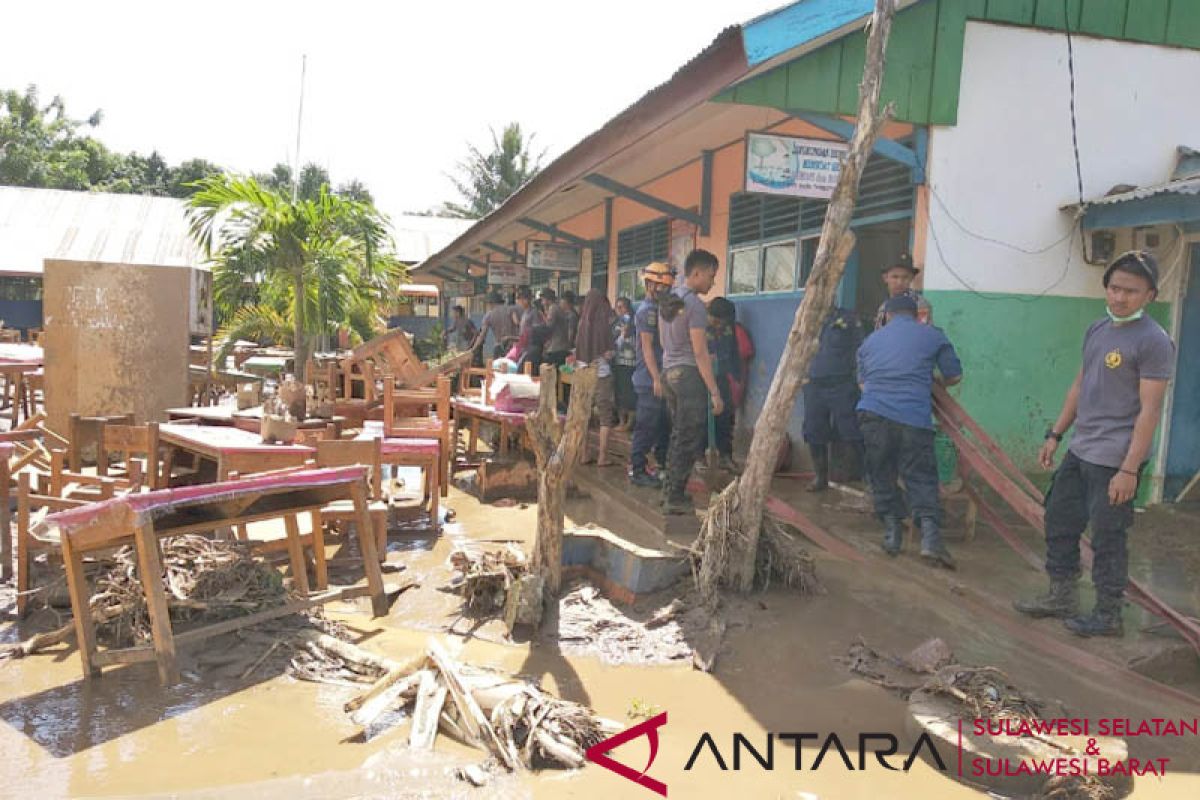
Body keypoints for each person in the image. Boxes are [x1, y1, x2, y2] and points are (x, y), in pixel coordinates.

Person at [1015, 251, 1174, 637]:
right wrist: (1055, 434)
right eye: (1115, 288)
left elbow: (1150, 411)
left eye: (1131, 291)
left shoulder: (1154, 341)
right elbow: (1079, 385)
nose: (1119, 297)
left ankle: (1108, 615)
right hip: (1081, 447)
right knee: (1059, 519)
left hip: (1115, 457)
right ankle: (1062, 595)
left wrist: (1129, 469)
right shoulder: (1098, 329)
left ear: (1150, 295)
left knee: (1107, 537)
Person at [857, 294, 963, 568]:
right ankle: (930, 540)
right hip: (913, 418)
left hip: (873, 415)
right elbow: (954, 376)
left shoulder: (869, 342)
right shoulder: (933, 335)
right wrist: (928, 379)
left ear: (887, 317)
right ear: (916, 315)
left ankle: (892, 535)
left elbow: (863, 385)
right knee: (921, 476)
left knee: (881, 473)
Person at [658, 250, 724, 514]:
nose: (712, 282)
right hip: (687, 376)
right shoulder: (695, 306)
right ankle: (675, 496)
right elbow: (699, 352)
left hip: (669, 374)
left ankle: (669, 490)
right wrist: (715, 392)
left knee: (678, 434)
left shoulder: (669, 301)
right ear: (696, 273)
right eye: (711, 275)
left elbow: (664, 344)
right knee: (688, 437)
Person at [803, 307, 865, 491]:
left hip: (842, 383)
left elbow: (861, 349)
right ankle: (820, 477)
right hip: (813, 384)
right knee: (814, 430)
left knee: (851, 430)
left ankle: (867, 478)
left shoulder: (849, 318)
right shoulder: (806, 318)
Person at [629, 263, 674, 488]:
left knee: (664, 426)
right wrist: (656, 377)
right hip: (649, 380)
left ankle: (660, 467)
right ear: (649, 285)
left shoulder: (661, 309)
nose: (662, 290)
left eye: (665, 286)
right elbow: (647, 347)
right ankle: (637, 469)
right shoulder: (646, 312)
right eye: (659, 286)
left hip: (663, 378)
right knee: (646, 426)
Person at [704, 297, 752, 472]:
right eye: (717, 322)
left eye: (723, 323)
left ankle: (725, 456)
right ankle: (700, 459)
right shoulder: (698, 326)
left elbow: (733, 351)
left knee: (725, 417)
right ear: (710, 316)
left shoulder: (729, 327)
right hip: (702, 379)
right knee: (702, 419)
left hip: (722, 377)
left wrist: (737, 376)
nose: (720, 326)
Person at [575, 288, 618, 467]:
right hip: (601, 374)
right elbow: (608, 353)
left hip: (583, 374)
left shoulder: (582, 324)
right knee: (605, 416)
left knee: (584, 415)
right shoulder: (604, 324)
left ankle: (584, 453)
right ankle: (602, 456)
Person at [873, 254, 932, 330]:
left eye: (905, 277)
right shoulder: (883, 307)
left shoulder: (919, 304)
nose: (900, 282)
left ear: (912, 278)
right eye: (895, 277)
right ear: (885, 278)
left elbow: (921, 334)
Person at [612, 297, 637, 431]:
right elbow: (613, 342)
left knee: (631, 393)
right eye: (618, 307)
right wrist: (622, 335)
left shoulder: (635, 323)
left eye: (623, 307)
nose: (620, 310)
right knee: (620, 393)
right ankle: (621, 421)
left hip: (632, 364)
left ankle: (630, 422)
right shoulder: (616, 324)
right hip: (619, 363)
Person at [473, 291, 519, 359]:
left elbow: (482, 336)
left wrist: (473, 349)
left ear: (491, 303)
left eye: (487, 304)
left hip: (499, 347)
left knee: (498, 368)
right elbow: (517, 323)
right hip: (514, 347)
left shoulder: (488, 315)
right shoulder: (511, 310)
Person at [536, 288, 571, 366]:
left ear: (547, 299)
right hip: (561, 347)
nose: (542, 302)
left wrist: (542, 315)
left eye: (543, 300)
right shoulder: (556, 308)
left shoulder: (553, 308)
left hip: (557, 348)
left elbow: (548, 327)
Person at [514, 287, 544, 370]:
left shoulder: (534, 312)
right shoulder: (525, 313)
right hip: (524, 346)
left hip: (532, 347)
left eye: (522, 299)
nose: (520, 302)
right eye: (519, 299)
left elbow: (537, 330)